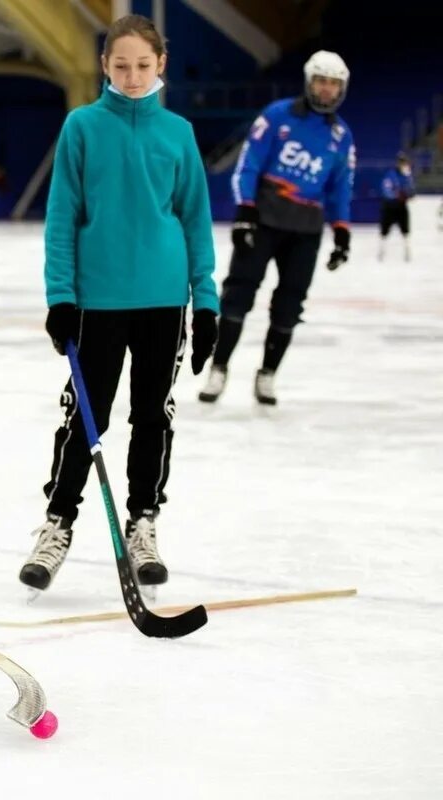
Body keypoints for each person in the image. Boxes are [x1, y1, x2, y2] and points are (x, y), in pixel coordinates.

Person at [19, 14, 218, 593]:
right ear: (105, 66)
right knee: (85, 417)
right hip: (97, 305)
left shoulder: (178, 133)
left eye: (144, 65)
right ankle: (57, 523)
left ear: (161, 67)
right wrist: (61, 297)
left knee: (152, 416)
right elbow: (62, 219)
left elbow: (196, 221)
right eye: (122, 65)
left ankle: (143, 522)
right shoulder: (82, 127)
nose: (133, 76)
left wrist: (204, 304)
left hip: (163, 301)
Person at [199, 50, 356, 406]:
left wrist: (342, 231)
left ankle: (267, 374)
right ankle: (219, 368)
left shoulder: (341, 136)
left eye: (334, 84)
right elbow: (249, 164)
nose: (327, 90)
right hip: (265, 220)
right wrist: (245, 211)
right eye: (322, 82)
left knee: (289, 304)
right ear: (309, 82)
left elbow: (341, 186)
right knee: (238, 295)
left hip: (306, 231)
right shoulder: (277, 116)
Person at [378, 152, 415, 262]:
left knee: (405, 231)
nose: (404, 165)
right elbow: (386, 189)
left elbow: (411, 190)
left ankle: (407, 252)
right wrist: (396, 195)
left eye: (405, 163)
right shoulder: (391, 174)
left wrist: (409, 193)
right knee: (384, 231)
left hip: (401, 207)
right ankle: (381, 252)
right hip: (390, 206)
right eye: (402, 163)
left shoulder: (408, 175)